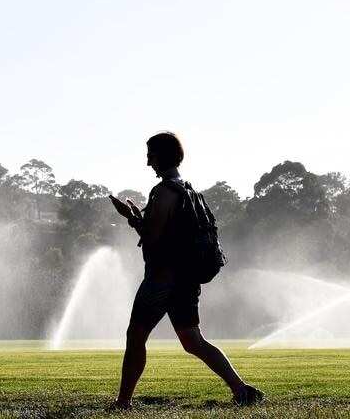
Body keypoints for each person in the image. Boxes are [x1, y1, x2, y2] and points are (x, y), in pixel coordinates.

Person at [108, 131, 263, 408]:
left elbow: (153, 237)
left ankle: (123, 402)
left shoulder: (165, 191)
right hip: (186, 280)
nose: (147, 163)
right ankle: (241, 389)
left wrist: (131, 218)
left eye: (150, 156)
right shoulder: (188, 190)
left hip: (162, 279)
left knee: (136, 335)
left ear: (161, 156)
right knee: (193, 341)